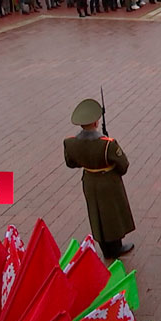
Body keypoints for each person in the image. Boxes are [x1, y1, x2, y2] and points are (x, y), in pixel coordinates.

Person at [63, 99, 135, 259]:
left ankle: (105, 248)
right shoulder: (107, 144)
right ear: (96, 122)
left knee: (96, 215)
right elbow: (123, 165)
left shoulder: (70, 142)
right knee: (113, 214)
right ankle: (116, 248)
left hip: (89, 180)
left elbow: (71, 163)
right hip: (108, 182)